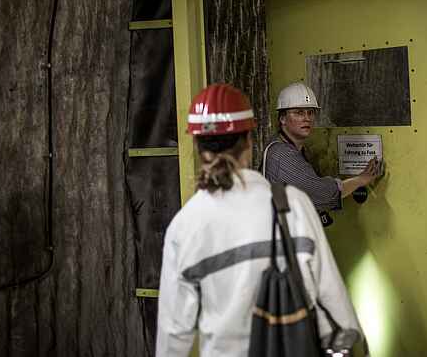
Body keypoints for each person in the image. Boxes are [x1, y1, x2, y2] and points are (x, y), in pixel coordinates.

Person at [156, 83, 364, 357]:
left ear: (197, 145)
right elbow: (335, 305)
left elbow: (173, 333)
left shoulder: (184, 227)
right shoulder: (293, 204)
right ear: (249, 141)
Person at [262, 82, 380, 216]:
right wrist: (361, 180)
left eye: (310, 112)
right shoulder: (282, 155)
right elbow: (323, 193)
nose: (307, 118)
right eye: (299, 112)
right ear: (282, 118)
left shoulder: (287, 146)